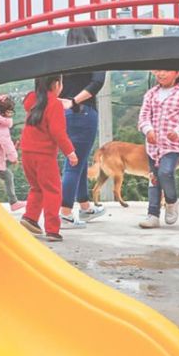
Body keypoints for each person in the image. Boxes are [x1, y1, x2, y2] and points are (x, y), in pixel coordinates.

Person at [18, 75, 79, 242]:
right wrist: (70, 152)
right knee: (53, 191)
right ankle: (52, 230)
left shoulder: (32, 100)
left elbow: (30, 99)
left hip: (26, 153)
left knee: (36, 187)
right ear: (56, 84)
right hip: (44, 155)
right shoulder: (54, 104)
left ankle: (30, 218)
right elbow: (58, 132)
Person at [57, 27, 106, 227]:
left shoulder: (62, 58)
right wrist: (75, 101)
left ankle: (85, 207)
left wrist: (64, 102)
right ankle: (66, 212)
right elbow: (96, 83)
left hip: (65, 114)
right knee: (74, 163)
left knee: (80, 159)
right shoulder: (95, 56)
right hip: (82, 112)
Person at [137, 71, 179, 229]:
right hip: (153, 145)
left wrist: (177, 131)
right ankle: (153, 215)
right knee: (154, 178)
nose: (161, 74)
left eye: (166, 70)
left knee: (165, 172)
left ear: (177, 73)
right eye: (158, 70)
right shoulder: (151, 94)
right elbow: (143, 116)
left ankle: (171, 201)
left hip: (173, 144)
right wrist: (148, 130)